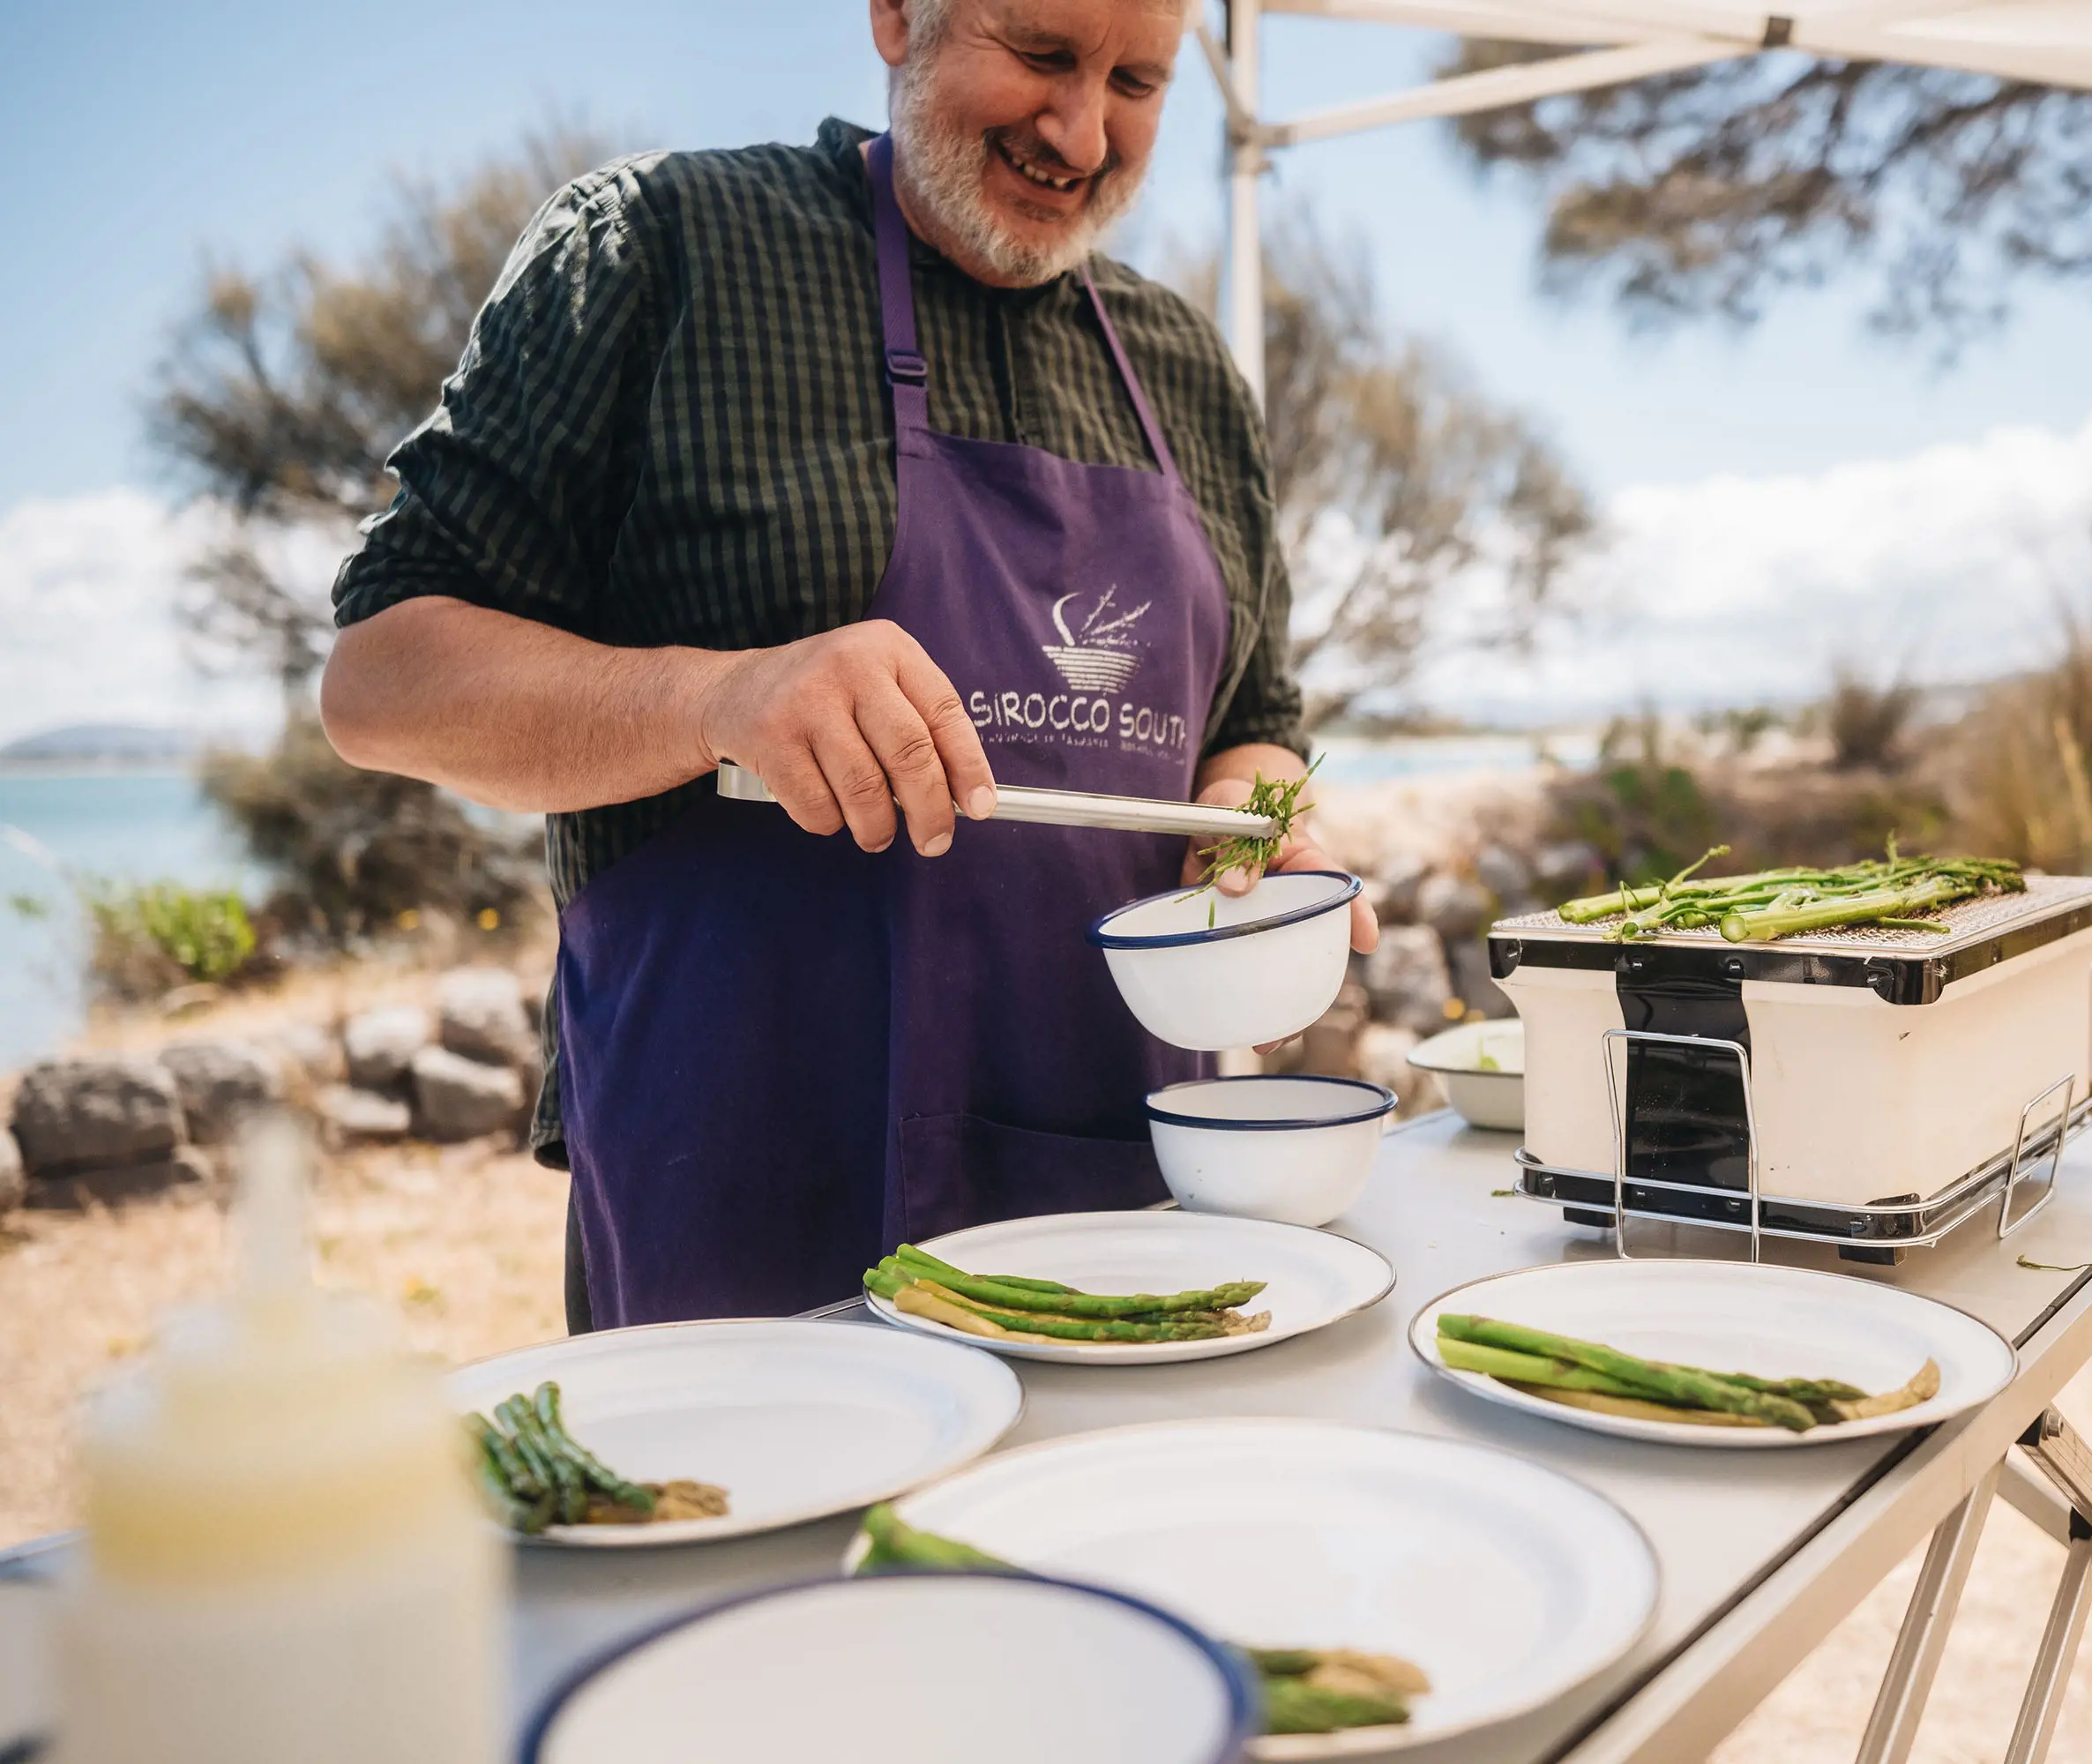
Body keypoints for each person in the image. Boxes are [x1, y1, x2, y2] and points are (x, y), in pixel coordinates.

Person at [318, 0, 1377, 1331]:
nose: (1081, 128)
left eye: (1138, 81)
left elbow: (1254, 728)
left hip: (1115, 1203)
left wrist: (1251, 827)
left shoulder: (1191, 376)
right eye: (1042, 55)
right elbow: (379, 678)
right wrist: (718, 699)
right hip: (740, 1190)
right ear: (895, 15)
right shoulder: (661, 249)